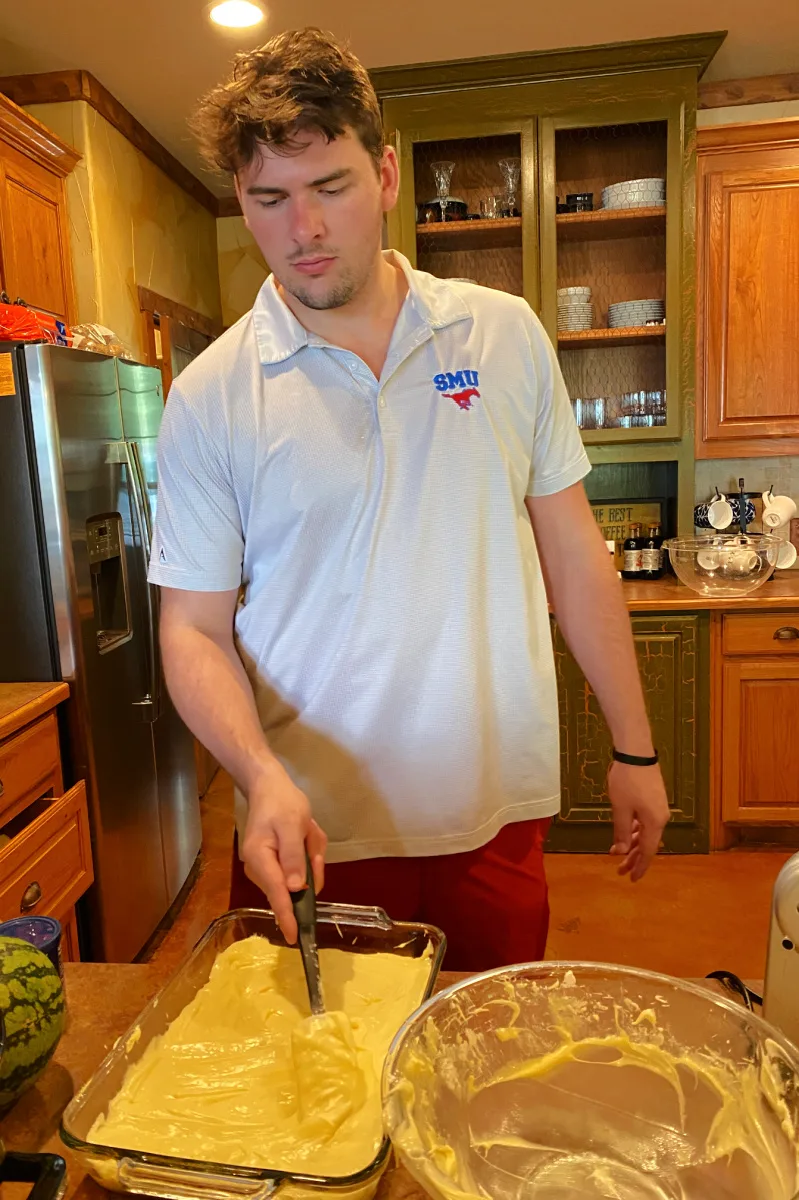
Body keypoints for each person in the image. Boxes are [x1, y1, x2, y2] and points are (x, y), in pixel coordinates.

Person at [147, 28, 670, 972]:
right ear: (241, 200)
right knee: (323, 1099)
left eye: (330, 187)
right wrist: (256, 777)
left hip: (493, 813)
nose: (303, 229)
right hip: (306, 831)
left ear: (385, 175)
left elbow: (572, 554)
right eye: (269, 198)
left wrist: (634, 750)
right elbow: (190, 628)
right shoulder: (211, 394)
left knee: (486, 1078)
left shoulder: (502, 336)